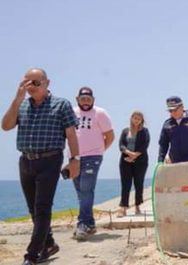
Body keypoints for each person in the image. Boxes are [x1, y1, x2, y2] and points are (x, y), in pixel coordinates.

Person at [1, 68, 80, 265]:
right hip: (26, 161)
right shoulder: (22, 105)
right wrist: (17, 99)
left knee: (42, 208)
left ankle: (32, 254)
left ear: (47, 83)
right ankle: (49, 243)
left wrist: (75, 159)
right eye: (27, 83)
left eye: (36, 82)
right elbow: (6, 125)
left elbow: (71, 134)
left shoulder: (61, 105)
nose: (31, 87)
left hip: (50, 160)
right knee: (32, 208)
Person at [71, 87, 114, 240]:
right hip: (74, 158)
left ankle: (82, 224)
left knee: (86, 190)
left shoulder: (100, 113)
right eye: (83, 99)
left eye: (88, 99)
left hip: (92, 157)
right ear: (77, 99)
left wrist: (99, 150)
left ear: (93, 100)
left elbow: (110, 135)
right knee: (80, 191)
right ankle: (90, 224)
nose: (86, 102)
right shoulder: (71, 112)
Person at [117, 111, 150, 217]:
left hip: (140, 161)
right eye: (135, 118)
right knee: (126, 184)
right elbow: (121, 145)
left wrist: (135, 155)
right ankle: (123, 208)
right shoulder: (125, 131)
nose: (136, 120)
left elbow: (145, 145)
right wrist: (129, 153)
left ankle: (137, 206)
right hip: (125, 160)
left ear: (141, 121)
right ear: (131, 118)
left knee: (138, 184)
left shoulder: (145, 131)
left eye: (138, 119)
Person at [158, 96, 188, 163]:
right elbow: (163, 144)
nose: (173, 112)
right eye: (170, 111)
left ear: (182, 107)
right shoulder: (167, 124)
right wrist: (160, 160)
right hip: (176, 162)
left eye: (175, 110)